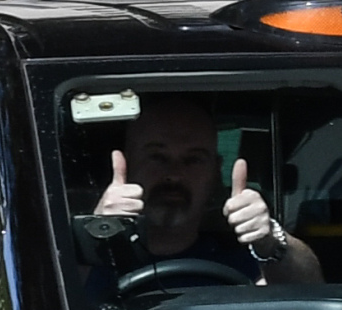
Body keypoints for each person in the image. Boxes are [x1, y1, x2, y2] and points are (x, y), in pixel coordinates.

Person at [91, 96, 321, 289]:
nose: (175, 174)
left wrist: (270, 240)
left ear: (215, 173)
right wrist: (94, 235)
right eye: (157, 157)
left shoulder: (246, 260)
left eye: (193, 159)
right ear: (127, 165)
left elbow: (311, 296)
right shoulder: (83, 258)